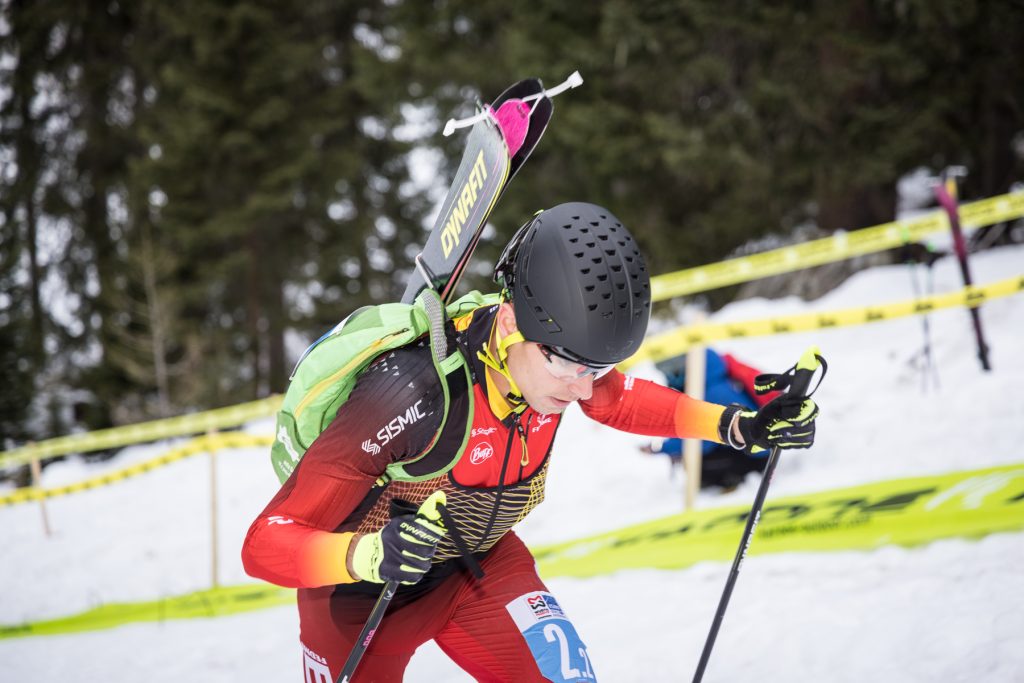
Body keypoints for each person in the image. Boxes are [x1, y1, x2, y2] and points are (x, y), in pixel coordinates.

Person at [241, 202, 820, 682]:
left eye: (596, 366)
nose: (580, 386)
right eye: (567, 364)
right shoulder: (409, 396)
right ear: (513, 321)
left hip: (478, 567)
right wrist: (363, 555)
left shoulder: (558, 363)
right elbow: (265, 543)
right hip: (359, 602)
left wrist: (740, 425)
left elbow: (620, 400)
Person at [641, 349, 780, 490]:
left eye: (669, 371)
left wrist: (662, 448)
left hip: (755, 454)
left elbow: (701, 438)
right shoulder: (713, 377)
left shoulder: (711, 392)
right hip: (752, 447)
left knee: (700, 467)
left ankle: (734, 482)